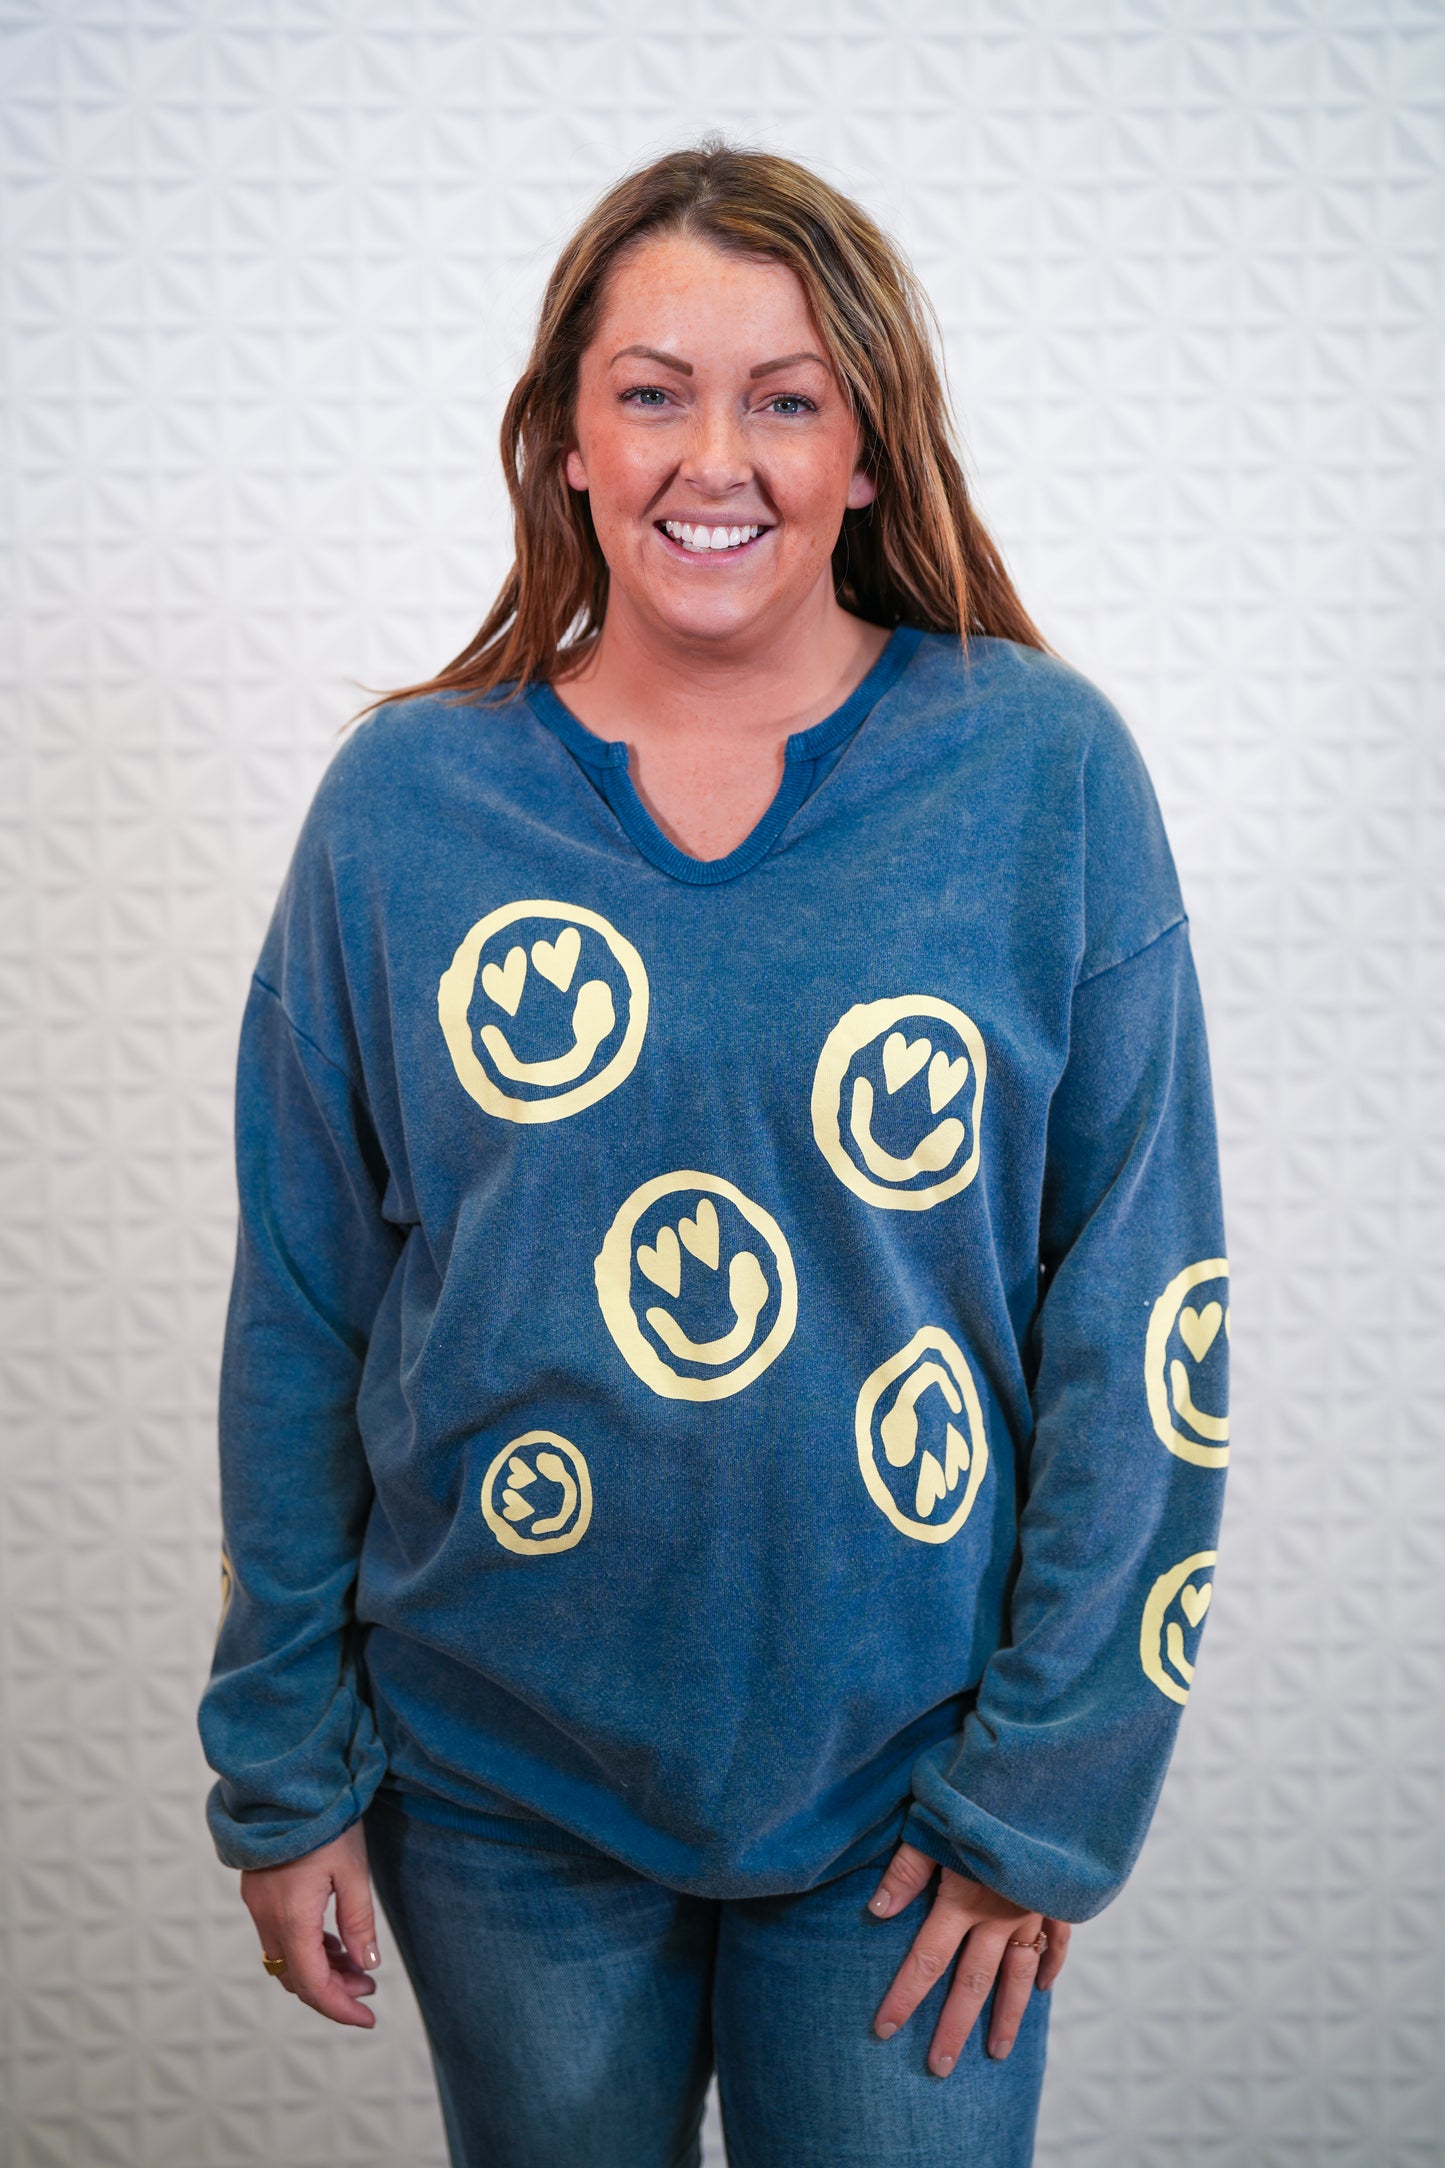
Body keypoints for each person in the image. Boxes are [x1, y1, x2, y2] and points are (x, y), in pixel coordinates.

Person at [198, 140, 1228, 2168]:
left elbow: (1142, 1314)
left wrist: (1045, 1789)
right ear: (567, 440)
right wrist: (282, 1755)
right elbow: (303, 1315)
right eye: (654, 392)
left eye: (786, 398)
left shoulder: (1040, 778)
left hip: (912, 1790)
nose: (714, 458)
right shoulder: (406, 807)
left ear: (868, 450)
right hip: (495, 1773)